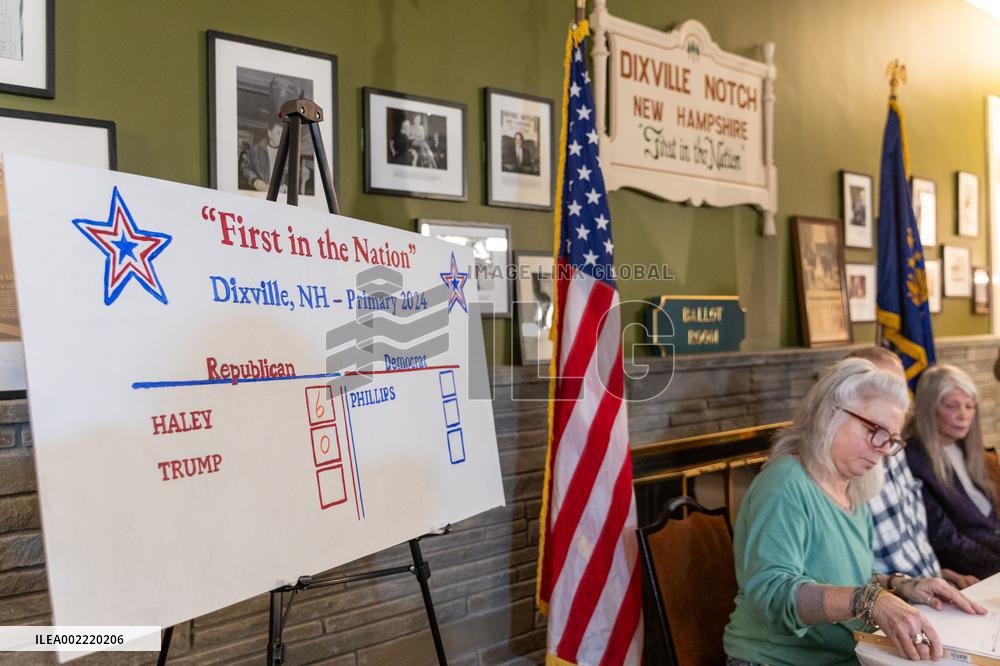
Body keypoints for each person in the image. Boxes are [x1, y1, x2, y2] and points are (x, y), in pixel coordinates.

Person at [724, 358, 985, 665]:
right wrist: (869, 601)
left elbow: (842, 576)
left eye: (891, 439)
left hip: (846, 655)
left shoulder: (855, 487)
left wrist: (900, 584)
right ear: (830, 414)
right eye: (875, 430)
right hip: (776, 659)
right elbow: (772, 594)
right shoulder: (785, 483)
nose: (884, 450)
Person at [855, 348, 978, 589]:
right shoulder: (848, 464)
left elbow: (912, 537)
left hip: (933, 586)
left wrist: (938, 574)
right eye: (952, 405)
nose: (897, 402)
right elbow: (846, 572)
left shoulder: (897, 448)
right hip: (890, 605)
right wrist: (904, 586)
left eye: (900, 391)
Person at [906, 364, 1000, 579]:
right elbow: (946, 541)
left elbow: (990, 525)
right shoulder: (913, 459)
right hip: (967, 574)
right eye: (952, 406)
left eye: (969, 406)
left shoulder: (965, 447)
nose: (963, 415)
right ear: (929, 408)